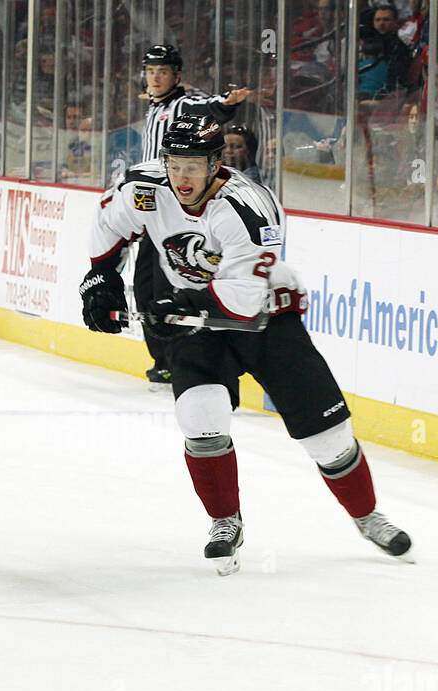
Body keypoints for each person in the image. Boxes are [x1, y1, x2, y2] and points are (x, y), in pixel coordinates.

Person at [78, 115, 413, 575]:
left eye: (194, 166)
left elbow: (241, 300)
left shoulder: (248, 209)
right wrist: (100, 277)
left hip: (264, 318)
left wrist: (174, 303)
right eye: (175, 164)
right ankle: (225, 521)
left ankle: (367, 515)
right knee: (200, 417)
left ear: (216, 163)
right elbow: (107, 227)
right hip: (194, 323)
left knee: (329, 438)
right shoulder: (145, 186)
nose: (183, 178)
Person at [134, 44, 252, 389]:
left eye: (163, 72)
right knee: (144, 288)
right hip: (150, 212)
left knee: (170, 286)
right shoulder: (153, 109)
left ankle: (178, 359)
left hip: (175, 214)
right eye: (151, 71)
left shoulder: (181, 104)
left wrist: (226, 104)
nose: (155, 78)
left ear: (177, 75)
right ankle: (162, 359)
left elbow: (208, 107)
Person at [357, 3, 413, 103]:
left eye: (386, 20)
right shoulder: (368, 44)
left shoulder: (399, 49)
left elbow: (396, 81)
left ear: (396, 23)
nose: (381, 23)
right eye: (377, 20)